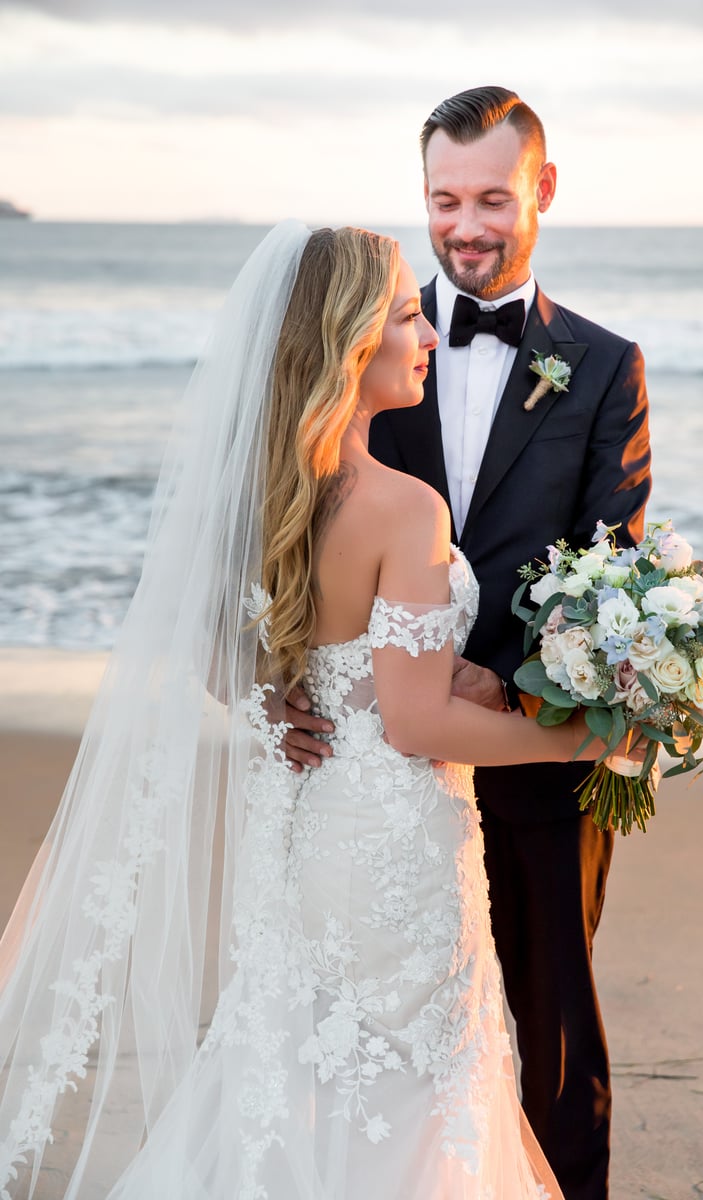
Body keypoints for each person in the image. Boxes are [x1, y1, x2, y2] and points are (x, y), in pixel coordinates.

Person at [0, 221, 640, 1198]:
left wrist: (268, 695)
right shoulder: (404, 509)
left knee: (299, 1073)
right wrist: (576, 735)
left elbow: (205, 633)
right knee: (417, 1095)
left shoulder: (265, 495)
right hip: (395, 849)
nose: (428, 334)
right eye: (405, 318)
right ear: (349, 344)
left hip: (304, 835)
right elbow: (414, 723)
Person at [291, 89, 652, 1200]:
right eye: (444, 201)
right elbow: (286, 542)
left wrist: (527, 699)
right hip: (381, 777)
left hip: (534, 754)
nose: (466, 227)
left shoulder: (604, 365)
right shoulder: (363, 349)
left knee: (551, 1036)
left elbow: (612, 569)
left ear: (543, 191)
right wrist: (280, 685)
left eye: (492, 199)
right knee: (384, 1047)